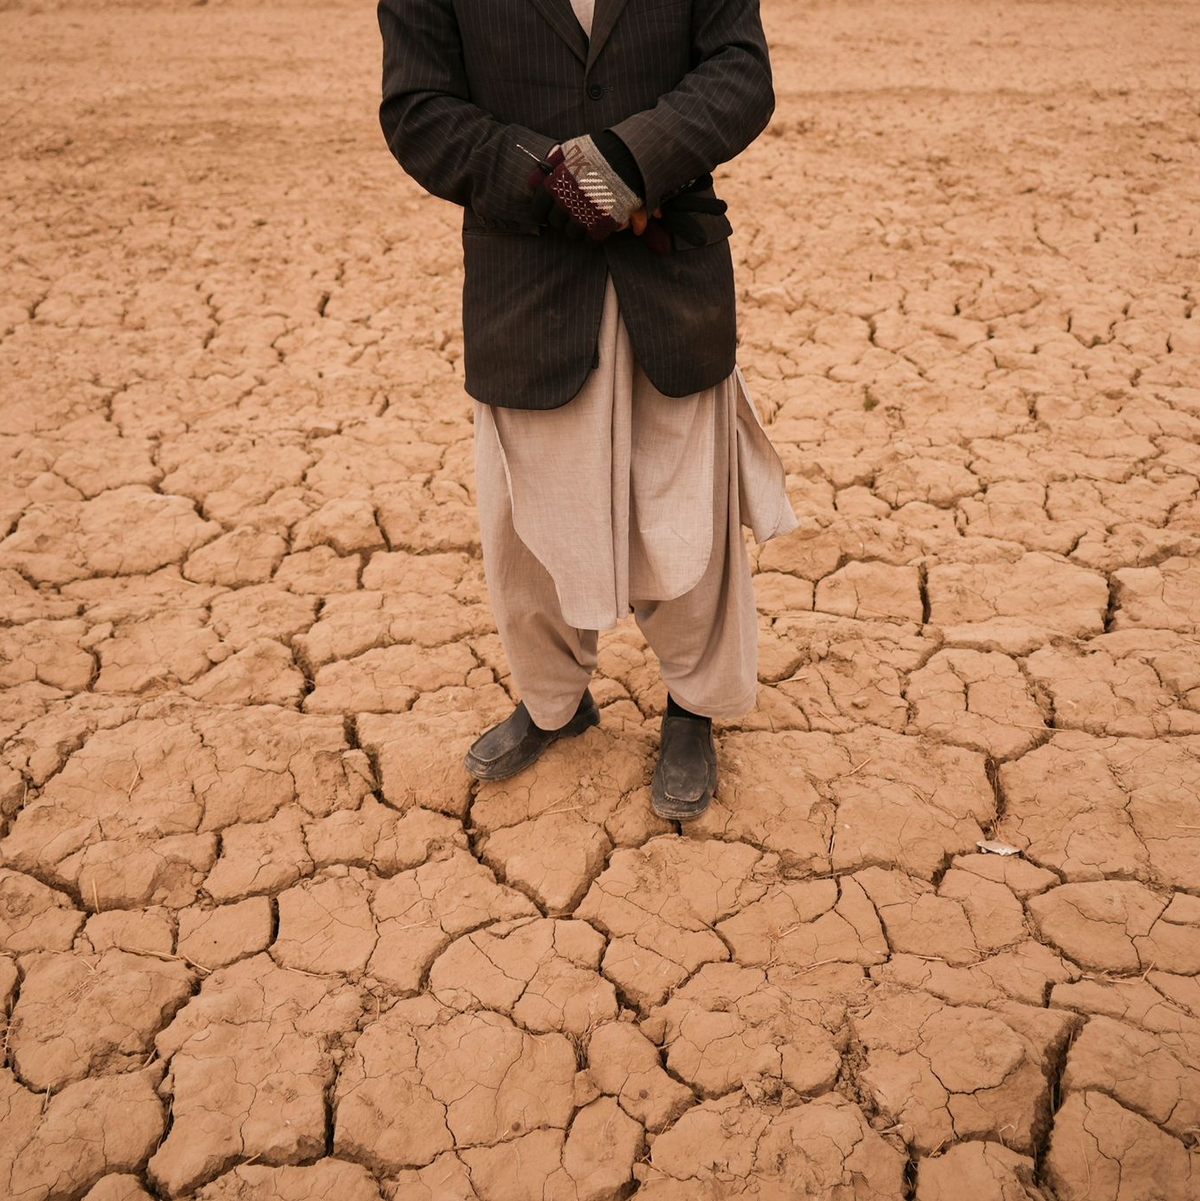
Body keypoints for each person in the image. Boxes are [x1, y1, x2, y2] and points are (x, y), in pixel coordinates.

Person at [376, 0, 798, 819]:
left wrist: (621, 165)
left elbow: (740, 74)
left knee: (685, 508)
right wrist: (552, 182)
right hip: (524, 283)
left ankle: (693, 707)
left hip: (670, 272)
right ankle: (553, 706)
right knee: (530, 521)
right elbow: (418, 110)